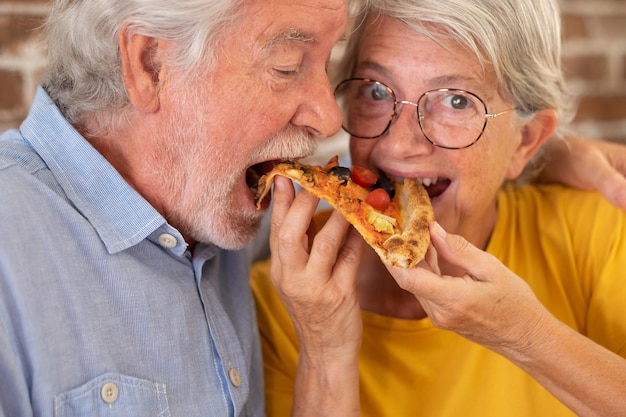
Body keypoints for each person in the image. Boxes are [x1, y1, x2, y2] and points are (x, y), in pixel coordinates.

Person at [251, 0, 626, 416]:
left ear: (526, 141)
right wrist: (324, 348)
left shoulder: (599, 235)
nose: (398, 145)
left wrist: (524, 335)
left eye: (457, 102)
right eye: (376, 90)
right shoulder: (283, 299)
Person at [0, 0, 367, 416]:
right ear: (151, 64)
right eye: (286, 66)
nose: (328, 118)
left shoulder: (211, 196)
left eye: (327, 62)